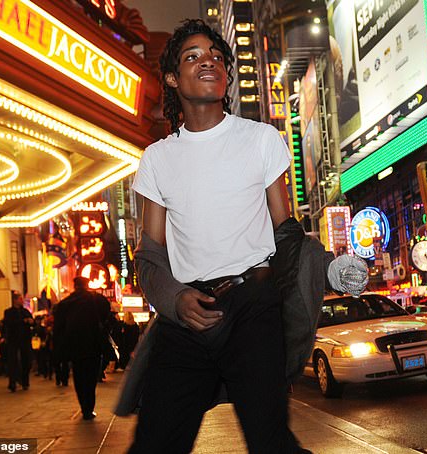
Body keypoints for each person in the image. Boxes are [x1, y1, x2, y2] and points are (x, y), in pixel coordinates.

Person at [126, 19, 309, 453]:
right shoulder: (157, 158)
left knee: (270, 441)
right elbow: (149, 255)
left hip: (254, 307)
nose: (208, 60)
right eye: (192, 56)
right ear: (172, 78)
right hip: (188, 313)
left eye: (214, 55)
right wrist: (175, 300)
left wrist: (331, 270)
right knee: (153, 443)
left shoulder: (261, 139)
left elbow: (286, 233)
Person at [54, 277, 110, 420]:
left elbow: (59, 325)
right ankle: (89, 408)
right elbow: (106, 313)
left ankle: (84, 407)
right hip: (93, 344)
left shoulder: (66, 303)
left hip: (74, 346)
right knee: (91, 378)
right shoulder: (96, 299)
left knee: (79, 377)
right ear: (86, 285)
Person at [3, 292, 34, 392]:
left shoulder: (25, 311)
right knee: (13, 361)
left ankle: (25, 381)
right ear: (15, 300)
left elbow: (32, 321)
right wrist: (23, 321)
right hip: (13, 339)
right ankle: (12, 383)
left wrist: (31, 321)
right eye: (20, 299)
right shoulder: (9, 312)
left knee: (26, 360)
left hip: (25, 339)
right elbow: (9, 323)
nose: (22, 301)